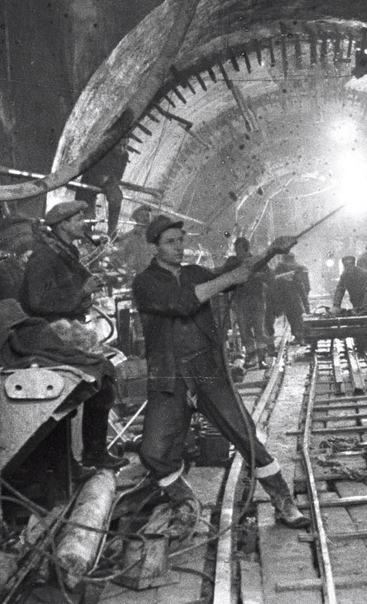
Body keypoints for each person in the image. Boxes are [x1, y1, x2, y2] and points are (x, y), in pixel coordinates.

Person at [131, 215, 309, 529]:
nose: (179, 247)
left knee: (246, 436)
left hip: (207, 369)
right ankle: (184, 499)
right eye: (170, 242)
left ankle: (284, 501)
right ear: (154, 248)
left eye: (181, 240)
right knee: (153, 450)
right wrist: (229, 278)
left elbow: (236, 272)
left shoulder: (195, 273)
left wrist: (270, 251)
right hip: (169, 375)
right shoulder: (145, 283)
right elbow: (185, 303)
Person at [20, 200, 124, 471]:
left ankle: (86, 456)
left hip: (67, 329)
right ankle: (76, 460)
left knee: (101, 385)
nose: (84, 223)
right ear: (63, 225)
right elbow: (38, 301)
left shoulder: (64, 251)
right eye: (79, 219)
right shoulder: (44, 256)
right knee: (84, 390)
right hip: (50, 334)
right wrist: (82, 290)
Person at [222, 236, 274, 367]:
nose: (238, 253)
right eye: (236, 249)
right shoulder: (231, 263)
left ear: (247, 249)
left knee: (259, 328)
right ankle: (252, 356)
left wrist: (257, 276)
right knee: (244, 329)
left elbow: (270, 276)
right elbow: (223, 276)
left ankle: (262, 357)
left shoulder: (258, 261)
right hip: (240, 300)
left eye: (240, 250)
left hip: (257, 298)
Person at [269, 251, 310, 342]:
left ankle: (298, 335)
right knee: (299, 316)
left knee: (292, 317)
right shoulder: (300, 268)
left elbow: (275, 284)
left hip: (286, 297)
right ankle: (301, 335)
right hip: (297, 296)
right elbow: (306, 286)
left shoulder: (280, 268)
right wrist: (305, 299)